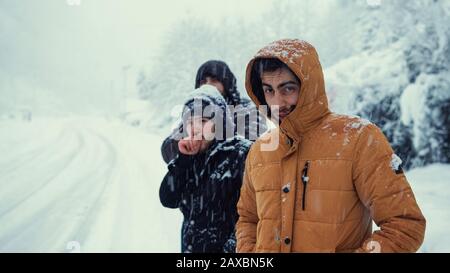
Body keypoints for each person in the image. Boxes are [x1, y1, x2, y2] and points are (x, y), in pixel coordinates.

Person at [236, 39, 426, 253]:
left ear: (310, 87)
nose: (277, 102)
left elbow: (405, 224)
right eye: (269, 90)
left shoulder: (358, 138)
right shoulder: (261, 150)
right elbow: (248, 220)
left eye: (287, 88)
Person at [159, 85, 252, 253]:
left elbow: (254, 213)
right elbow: (168, 199)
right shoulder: (190, 157)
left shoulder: (241, 153)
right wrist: (182, 161)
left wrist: (233, 247)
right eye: (189, 122)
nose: (195, 128)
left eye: (203, 121)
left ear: (219, 122)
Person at [160, 60, 267, 164]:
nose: (208, 85)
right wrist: (185, 141)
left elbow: (252, 147)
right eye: (203, 82)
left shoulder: (246, 109)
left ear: (227, 84)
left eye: (214, 80)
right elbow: (168, 150)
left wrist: (206, 140)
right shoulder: (195, 111)